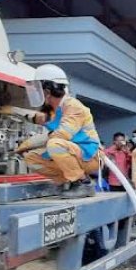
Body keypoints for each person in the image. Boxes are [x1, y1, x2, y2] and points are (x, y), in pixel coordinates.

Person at [17, 64, 101, 198]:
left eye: (39, 89)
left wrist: (30, 143)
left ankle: (84, 183)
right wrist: (14, 111)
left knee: (54, 145)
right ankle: (66, 183)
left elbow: (62, 135)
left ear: (48, 91)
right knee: (31, 158)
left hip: (89, 154)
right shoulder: (56, 109)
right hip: (72, 152)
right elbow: (45, 125)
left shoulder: (73, 106)